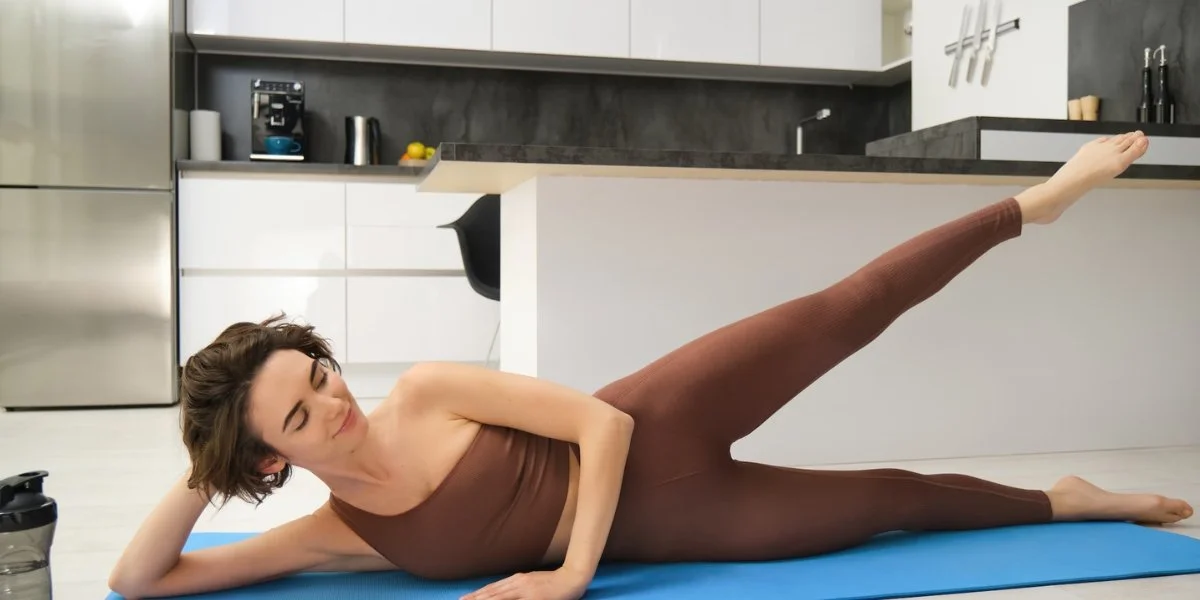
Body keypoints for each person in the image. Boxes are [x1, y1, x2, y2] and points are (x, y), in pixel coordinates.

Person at [110, 131, 1192, 600]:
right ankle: (1064, 500)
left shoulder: (431, 391)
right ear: (269, 458)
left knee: (844, 309)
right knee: (887, 502)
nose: (333, 406)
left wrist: (570, 576)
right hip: (685, 521)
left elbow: (603, 429)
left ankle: (1036, 204)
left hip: (657, 418)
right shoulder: (337, 535)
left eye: (319, 376)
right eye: (298, 419)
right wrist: (210, 465)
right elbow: (140, 582)